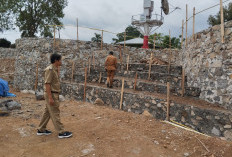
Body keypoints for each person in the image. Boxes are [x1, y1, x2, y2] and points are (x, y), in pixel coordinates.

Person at [37, 53, 72, 139]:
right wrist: (50, 97)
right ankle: (61, 132)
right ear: (56, 60)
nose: (61, 61)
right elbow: (47, 84)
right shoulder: (50, 70)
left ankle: (41, 129)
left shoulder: (55, 69)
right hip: (51, 94)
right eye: (60, 60)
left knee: (48, 112)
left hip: (53, 93)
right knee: (55, 112)